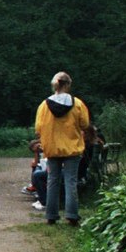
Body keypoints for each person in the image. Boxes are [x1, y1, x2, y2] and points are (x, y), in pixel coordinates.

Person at [33, 72, 91, 225]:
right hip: (72, 147)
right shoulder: (77, 104)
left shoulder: (44, 105)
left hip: (52, 148)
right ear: (68, 85)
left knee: (52, 181)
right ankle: (72, 215)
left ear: (55, 85)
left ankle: (51, 215)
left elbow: (38, 128)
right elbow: (85, 124)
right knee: (70, 181)